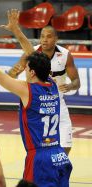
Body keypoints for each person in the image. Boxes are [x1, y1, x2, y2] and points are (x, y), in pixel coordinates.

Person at [0, 10, 72, 186]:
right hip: (59, 155)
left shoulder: (28, 90)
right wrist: (16, 31)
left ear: (31, 72)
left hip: (40, 159)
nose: (24, 69)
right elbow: (36, 57)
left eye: (26, 67)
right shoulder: (52, 84)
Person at [8, 24, 80, 155]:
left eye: (48, 36)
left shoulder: (65, 55)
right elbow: (10, 76)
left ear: (56, 39)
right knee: (38, 147)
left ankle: (57, 173)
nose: (44, 39)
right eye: (42, 36)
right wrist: (14, 73)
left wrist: (70, 86)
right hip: (36, 104)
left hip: (57, 101)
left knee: (66, 145)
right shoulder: (32, 53)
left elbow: (77, 82)